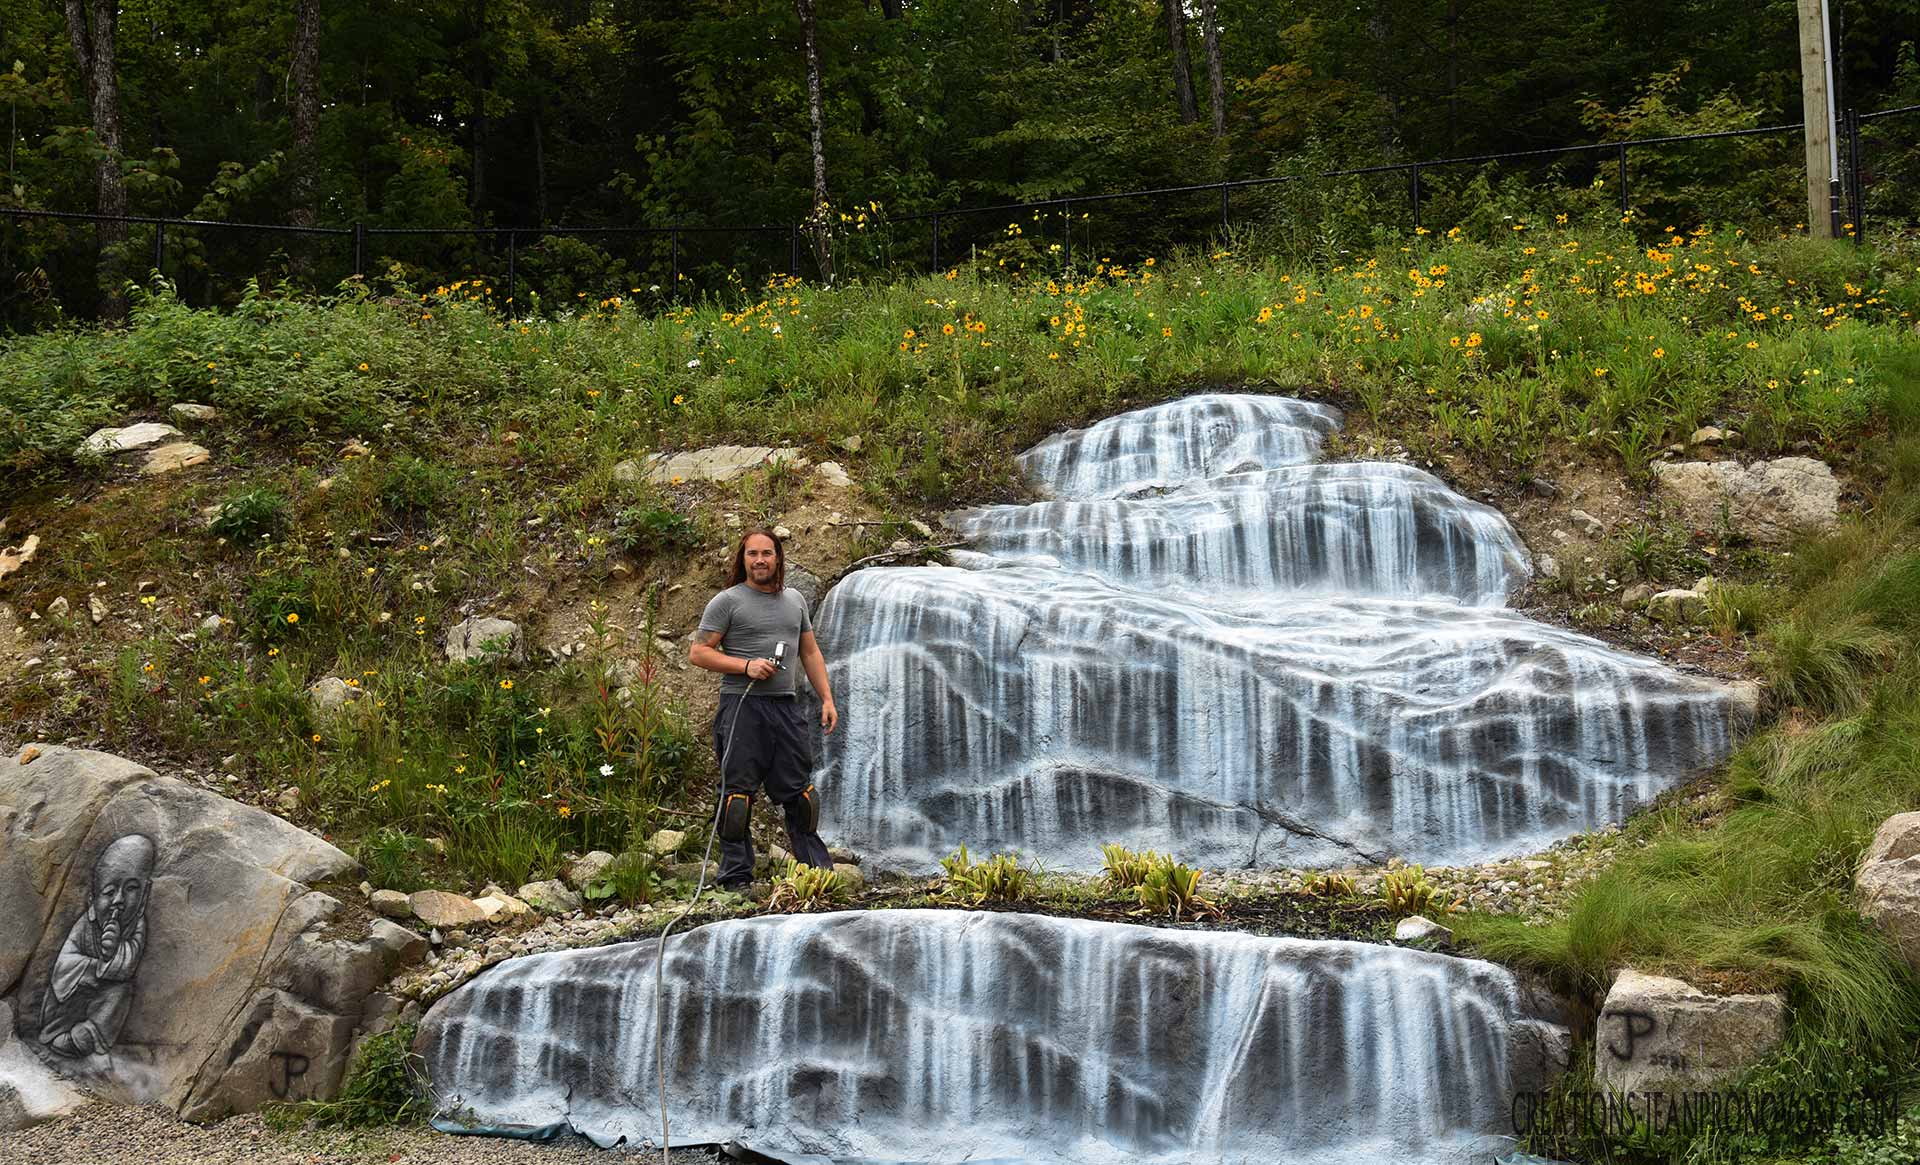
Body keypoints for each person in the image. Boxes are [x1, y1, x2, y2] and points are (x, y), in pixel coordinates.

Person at [689, 528, 839, 891]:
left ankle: (816, 872)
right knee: (737, 796)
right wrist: (745, 666)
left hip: (785, 708)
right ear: (743, 559)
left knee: (801, 795)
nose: (760, 560)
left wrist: (827, 698)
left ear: (778, 558)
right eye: (753, 554)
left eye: (767, 553)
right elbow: (698, 652)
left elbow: (810, 652)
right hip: (742, 707)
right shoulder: (727, 601)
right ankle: (735, 878)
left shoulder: (795, 601)